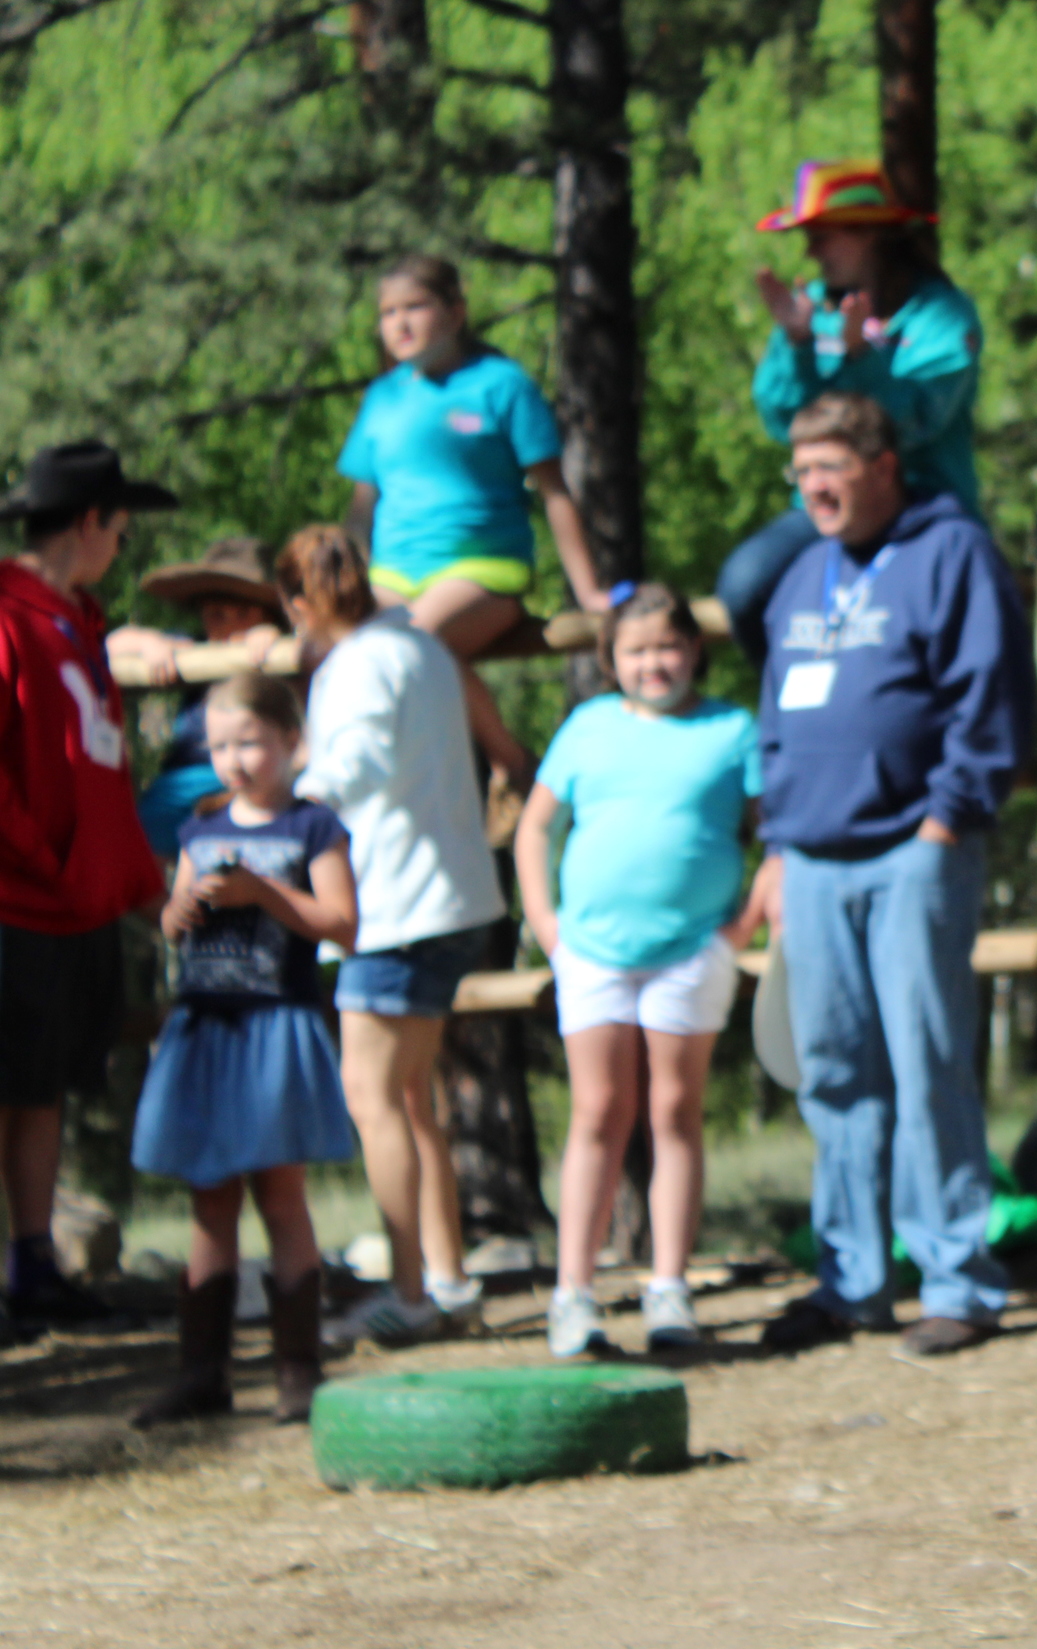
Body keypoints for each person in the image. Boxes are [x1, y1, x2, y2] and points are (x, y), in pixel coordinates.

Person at [745, 393, 1031, 1359]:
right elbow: (777, 720)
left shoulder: (950, 553)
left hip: (916, 850)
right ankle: (851, 1279)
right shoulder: (801, 576)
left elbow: (985, 693)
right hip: (814, 859)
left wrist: (948, 820)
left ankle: (957, 1278)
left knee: (928, 1061)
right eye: (802, 470)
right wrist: (778, 844)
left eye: (830, 466)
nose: (813, 486)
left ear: (882, 466)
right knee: (833, 1076)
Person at [515, 583, 764, 1357]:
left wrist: (739, 929)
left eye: (668, 647)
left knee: (674, 1112)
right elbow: (533, 827)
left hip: (692, 952)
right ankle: (574, 1295)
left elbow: (777, 835)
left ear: (693, 650)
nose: (654, 663)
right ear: (609, 659)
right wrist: (547, 925)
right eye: (636, 650)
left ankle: (669, 1288)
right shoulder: (587, 727)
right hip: (589, 953)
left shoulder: (733, 730)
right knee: (596, 1113)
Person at [277, 526, 504, 1346]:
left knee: (373, 1099)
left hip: (392, 909)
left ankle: (408, 1294)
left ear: (299, 605)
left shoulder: (358, 663)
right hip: (447, 902)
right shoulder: (423, 650)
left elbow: (358, 764)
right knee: (412, 1100)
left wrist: (282, 791)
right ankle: (442, 1275)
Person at [130, 673, 356, 1426]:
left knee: (280, 1196)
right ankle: (202, 1372)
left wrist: (263, 894)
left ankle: (298, 1370)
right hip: (205, 1028)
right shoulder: (199, 827)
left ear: (293, 741)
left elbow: (342, 922)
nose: (235, 759)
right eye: (221, 745)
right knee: (209, 1200)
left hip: (275, 1028)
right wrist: (182, 905)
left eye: (250, 742)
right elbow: (169, 922)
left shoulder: (313, 827)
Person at [0, 442, 175, 1337]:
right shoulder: (6, 615)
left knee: (43, 1091)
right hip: (17, 902)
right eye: (120, 522)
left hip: (79, 911)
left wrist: (145, 891)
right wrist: (50, 865)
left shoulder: (79, 623)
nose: (124, 539)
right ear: (88, 523)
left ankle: (34, 1263)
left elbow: (99, 785)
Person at [338, 255, 606, 784]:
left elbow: (554, 493)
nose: (401, 323)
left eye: (415, 306)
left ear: (456, 312)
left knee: (414, 644)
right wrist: (343, 587)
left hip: (483, 568)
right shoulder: (383, 397)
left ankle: (512, 765)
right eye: (388, 312)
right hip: (392, 573)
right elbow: (360, 508)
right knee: (347, 653)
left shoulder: (502, 385)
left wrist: (590, 594)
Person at [719, 162, 983, 666]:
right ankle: (800, 707)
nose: (810, 252)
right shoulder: (808, 307)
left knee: (953, 604)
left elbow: (913, 424)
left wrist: (864, 359)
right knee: (744, 587)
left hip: (922, 507)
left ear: (870, 235)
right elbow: (781, 422)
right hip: (824, 507)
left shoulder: (941, 317)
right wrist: (798, 343)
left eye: (821, 236)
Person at [108, 537, 288, 856]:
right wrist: (147, 642)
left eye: (244, 612)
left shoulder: (278, 654)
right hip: (187, 782)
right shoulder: (189, 648)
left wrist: (271, 643)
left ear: (268, 615)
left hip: (261, 776)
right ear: (202, 616)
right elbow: (111, 644)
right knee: (133, 833)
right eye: (217, 614)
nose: (231, 624)